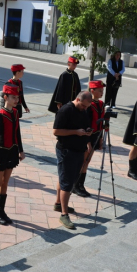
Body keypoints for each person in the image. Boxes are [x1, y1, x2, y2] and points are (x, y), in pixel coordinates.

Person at [53, 91, 93, 229]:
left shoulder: (83, 110)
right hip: (66, 150)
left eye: (87, 107)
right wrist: (76, 132)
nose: (85, 109)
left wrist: (88, 134)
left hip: (78, 150)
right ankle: (64, 215)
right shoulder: (65, 110)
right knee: (67, 182)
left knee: (65, 178)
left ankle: (59, 204)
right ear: (77, 99)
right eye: (83, 106)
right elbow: (56, 131)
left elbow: (85, 124)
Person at [0, 84, 25, 226]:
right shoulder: (0, 116)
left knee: (5, 182)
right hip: (1, 153)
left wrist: (21, 150)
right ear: (5, 97)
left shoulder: (15, 113)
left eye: (17, 97)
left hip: (12, 152)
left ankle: (1, 210)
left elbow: (17, 133)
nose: (16, 100)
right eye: (13, 97)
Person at [72, 80, 106, 197]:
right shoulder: (88, 106)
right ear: (92, 91)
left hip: (96, 135)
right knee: (83, 161)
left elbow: (101, 123)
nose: (102, 92)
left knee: (87, 162)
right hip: (87, 137)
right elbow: (84, 123)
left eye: (102, 90)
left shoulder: (101, 104)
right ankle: (76, 185)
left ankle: (81, 184)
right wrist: (87, 141)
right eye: (100, 90)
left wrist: (101, 138)